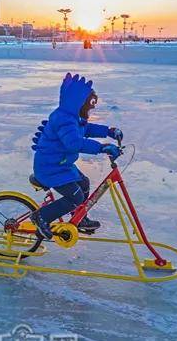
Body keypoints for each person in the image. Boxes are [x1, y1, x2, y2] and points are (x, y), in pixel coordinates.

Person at [30, 73, 123, 240]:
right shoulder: (63, 120)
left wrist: (108, 131)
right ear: (79, 102)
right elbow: (73, 143)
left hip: (62, 165)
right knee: (75, 196)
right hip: (50, 168)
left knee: (84, 183)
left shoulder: (73, 118)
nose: (92, 107)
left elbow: (86, 129)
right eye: (91, 102)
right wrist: (102, 147)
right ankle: (41, 216)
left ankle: (79, 218)